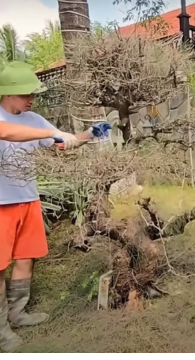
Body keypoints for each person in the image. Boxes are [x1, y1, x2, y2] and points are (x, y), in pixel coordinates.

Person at [0, 61, 112, 352]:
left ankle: (17, 313)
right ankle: (1, 332)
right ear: (9, 93)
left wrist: (90, 135)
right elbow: (8, 133)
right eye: (27, 94)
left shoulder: (35, 119)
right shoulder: (8, 121)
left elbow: (64, 140)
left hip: (28, 198)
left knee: (26, 258)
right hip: (1, 205)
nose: (32, 99)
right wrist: (47, 135)